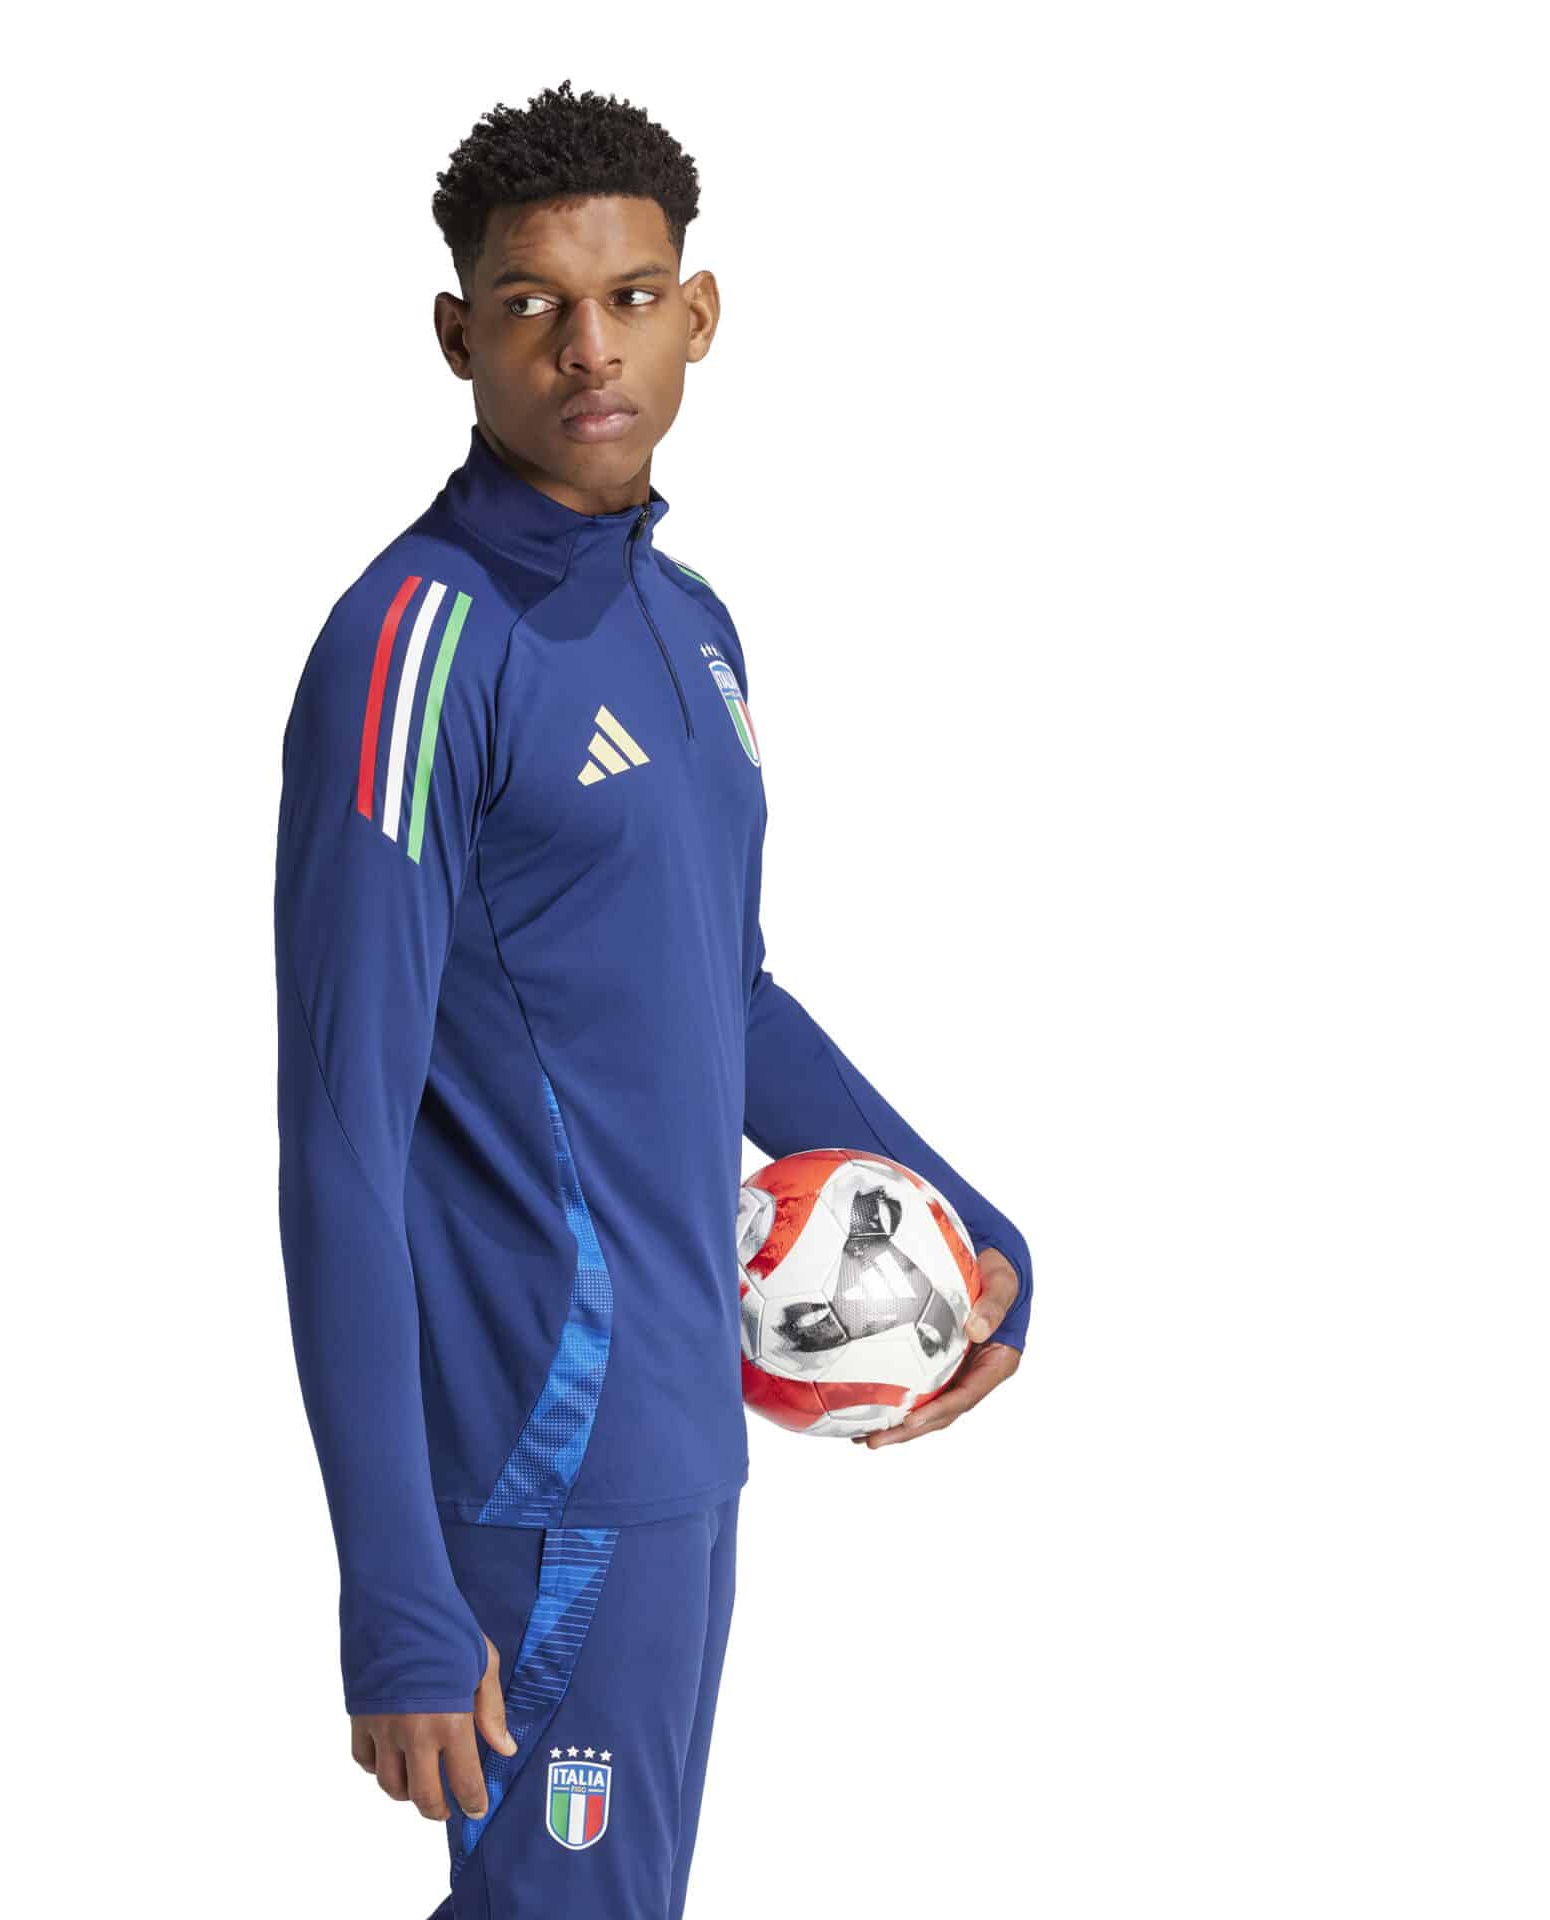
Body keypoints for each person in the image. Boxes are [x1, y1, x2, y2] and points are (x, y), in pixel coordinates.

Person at [274, 78, 1034, 1920]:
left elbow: (725, 991)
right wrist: (394, 1584)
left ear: (700, 314)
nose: (586, 348)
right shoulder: (412, 648)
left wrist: (970, 1223)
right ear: (457, 335)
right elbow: (339, 1138)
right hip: (539, 1457)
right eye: (531, 304)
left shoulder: (689, 621)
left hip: (685, 1432)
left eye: (628, 298)